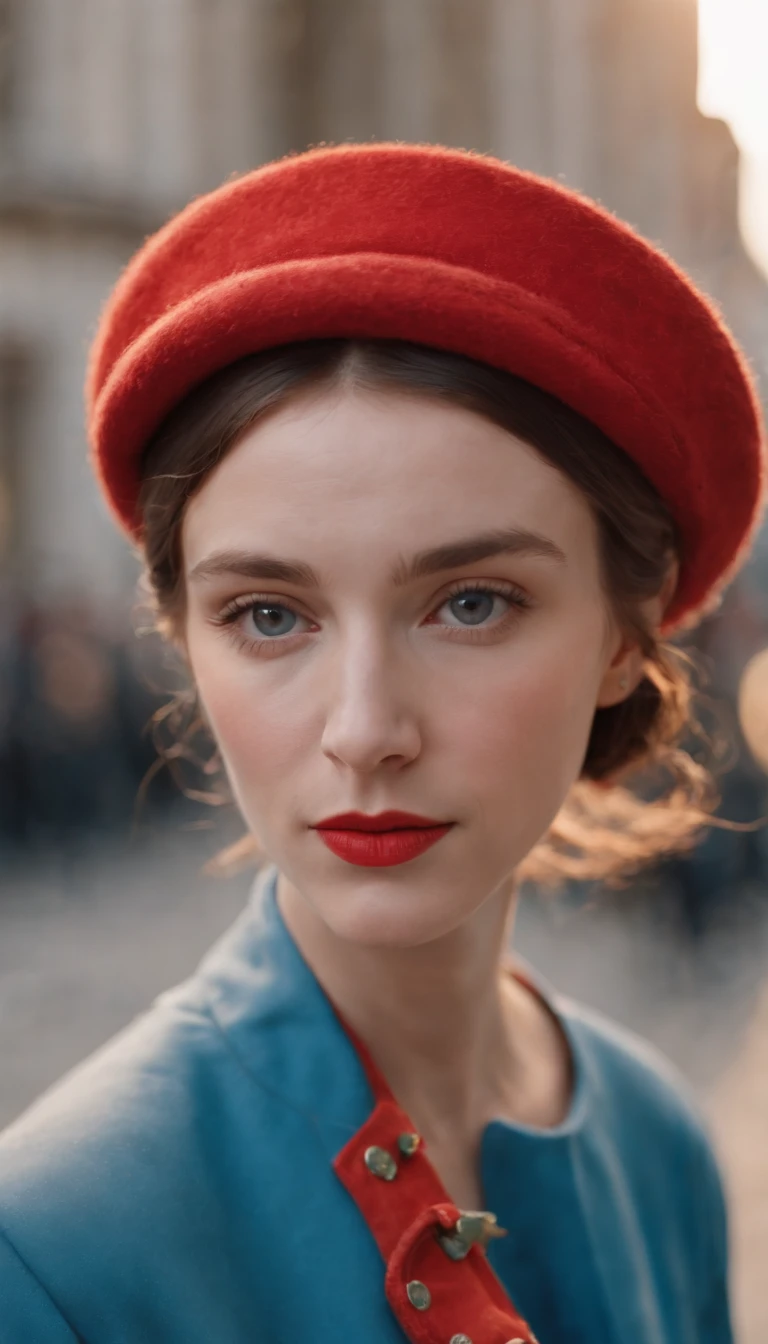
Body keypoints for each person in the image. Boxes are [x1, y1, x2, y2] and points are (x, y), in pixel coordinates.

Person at [0, 142, 764, 1344]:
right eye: (267, 616)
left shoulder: (660, 1146)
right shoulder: (53, 1254)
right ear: (182, 638)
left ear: (628, 633)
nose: (365, 731)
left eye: (471, 602)